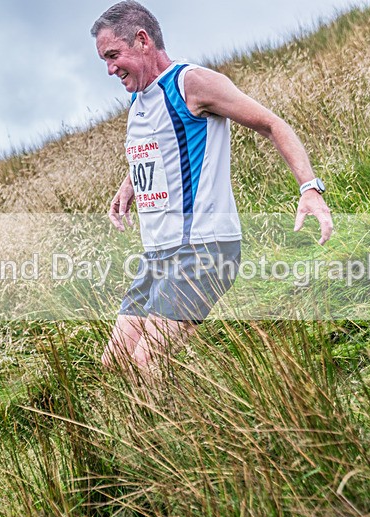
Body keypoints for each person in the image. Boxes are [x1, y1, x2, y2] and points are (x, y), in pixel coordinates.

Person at [91, 1, 333, 380]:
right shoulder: (140, 99)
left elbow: (273, 124)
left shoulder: (192, 83)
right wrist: (130, 185)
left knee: (147, 362)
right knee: (115, 364)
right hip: (158, 255)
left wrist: (309, 188)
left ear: (142, 41)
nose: (109, 69)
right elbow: (164, 147)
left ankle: (170, 438)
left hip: (203, 249)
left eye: (112, 55)